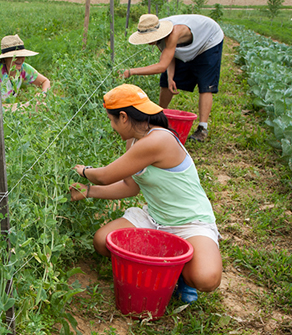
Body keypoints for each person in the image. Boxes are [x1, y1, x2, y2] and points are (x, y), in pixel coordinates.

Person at [69, 84, 222, 303]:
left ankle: (179, 273)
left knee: (206, 278)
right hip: (155, 218)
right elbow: (131, 186)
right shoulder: (134, 140)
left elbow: (104, 176)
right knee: (102, 241)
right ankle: (165, 261)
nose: (112, 127)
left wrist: (84, 171)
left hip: (190, 222)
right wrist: (89, 192)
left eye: (111, 120)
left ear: (123, 117)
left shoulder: (158, 140)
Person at [121, 14, 224, 142]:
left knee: (205, 84)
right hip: (183, 45)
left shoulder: (174, 32)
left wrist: (130, 72)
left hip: (208, 40)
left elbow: (161, 66)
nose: (148, 41)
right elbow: (169, 57)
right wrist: (171, 77)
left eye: (148, 38)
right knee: (165, 81)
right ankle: (158, 118)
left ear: (156, 33)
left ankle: (202, 129)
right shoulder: (158, 34)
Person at [0, 34, 51, 116]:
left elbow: (45, 81)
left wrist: (43, 94)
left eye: (22, 55)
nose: (20, 59)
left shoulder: (23, 69)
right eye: (15, 56)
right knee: (29, 109)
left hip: (8, 109)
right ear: (5, 59)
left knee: (43, 105)